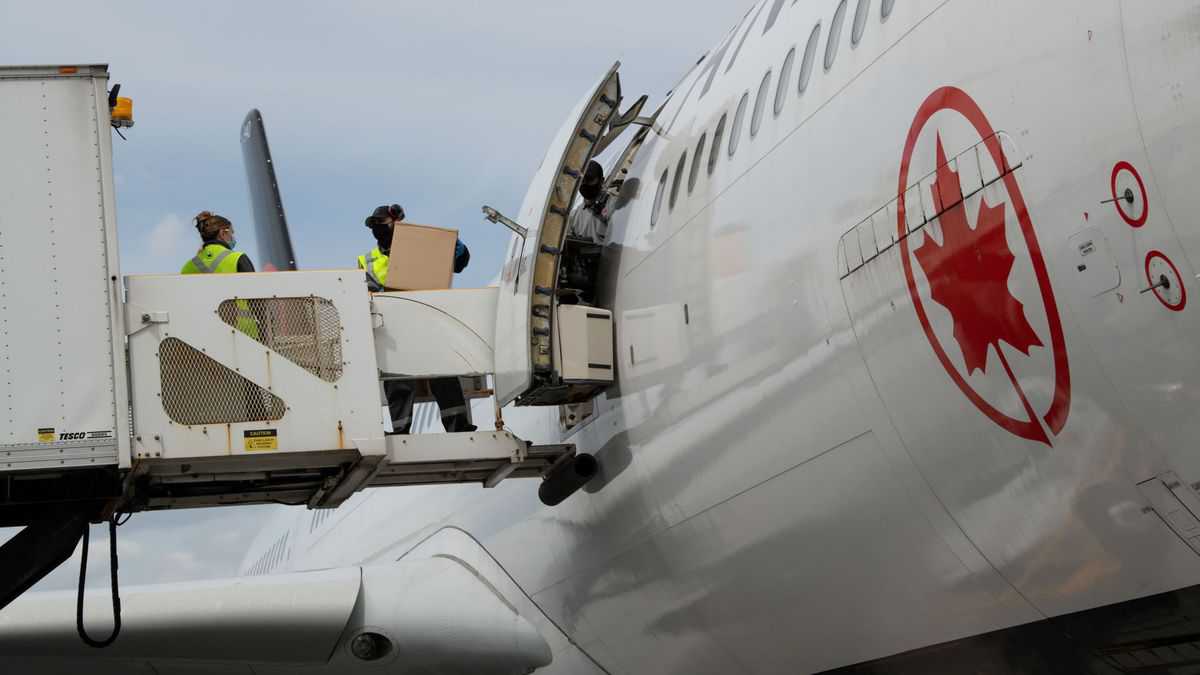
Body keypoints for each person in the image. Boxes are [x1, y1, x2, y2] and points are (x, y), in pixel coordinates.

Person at [357, 204, 475, 434]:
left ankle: (458, 426)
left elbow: (459, 263)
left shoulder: (423, 247)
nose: (377, 230)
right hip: (393, 326)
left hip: (426, 320)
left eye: (381, 224)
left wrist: (455, 247)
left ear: (397, 224)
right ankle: (401, 429)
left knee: (443, 374)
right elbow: (365, 293)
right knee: (397, 379)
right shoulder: (368, 260)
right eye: (374, 226)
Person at [180, 211, 258, 338]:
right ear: (223, 233)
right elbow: (257, 302)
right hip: (243, 334)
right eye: (231, 233)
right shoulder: (238, 258)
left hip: (203, 338)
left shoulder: (187, 267)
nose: (233, 237)